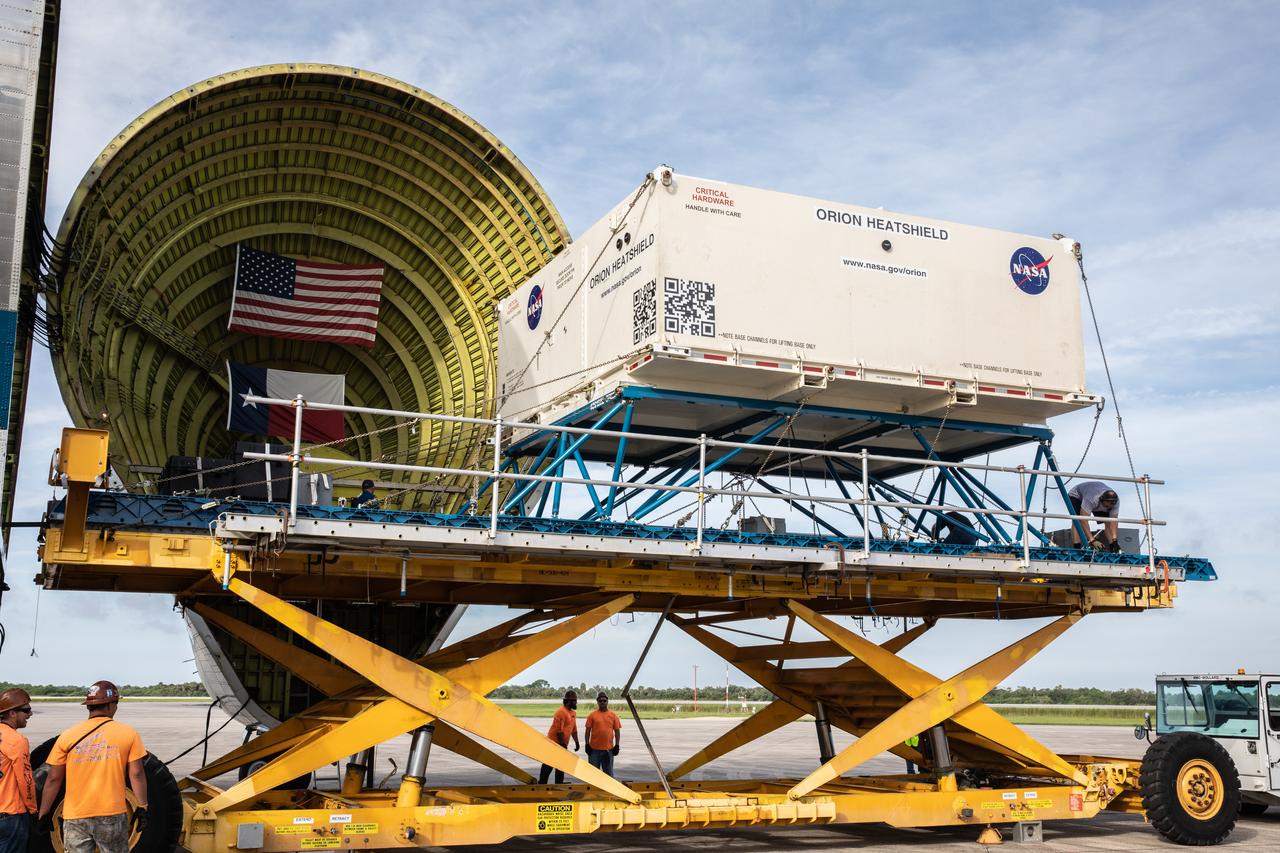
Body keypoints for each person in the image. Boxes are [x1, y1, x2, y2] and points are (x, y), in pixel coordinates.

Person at [37, 681, 148, 853]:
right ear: (111, 705)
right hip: (111, 814)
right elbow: (137, 773)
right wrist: (142, 806)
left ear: (89, 706)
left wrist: (43, 814)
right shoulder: (128, 733)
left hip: (75, 816)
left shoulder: (68, 735)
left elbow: (53, 778)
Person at [0, 688, 36, 853]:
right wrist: (33, 809)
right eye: (26, 710)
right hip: (11, 815)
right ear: (12, 713)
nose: (30, 714)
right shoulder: (17, 741)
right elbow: (25, 780)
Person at [537, 690, 578, 784]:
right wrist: (562, 744)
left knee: (561, 765)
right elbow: (559, 731)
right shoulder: (561, 712)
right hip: (553, 743)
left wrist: (576, 742)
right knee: (549, 763)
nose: (576, 702)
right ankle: (542, 783)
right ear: (569, 701)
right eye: (574, 700)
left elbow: (574, 729)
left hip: (562, 743)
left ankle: (559, 783)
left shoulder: (572, 713)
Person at [1067, 480, 1120, 550]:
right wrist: (1092, 540)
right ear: (1102, 501)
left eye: (1110, 507)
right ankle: (1077, 547)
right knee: (1077, 521)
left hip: (1096, 492)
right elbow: (1084, 520)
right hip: (1077, 496)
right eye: (1106, 506)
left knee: (1108, 522)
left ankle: (1113, 547)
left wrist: (1114, 540)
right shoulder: (1092, 499)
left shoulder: (1116, 502)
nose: (1108, 508)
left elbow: (1113, 522)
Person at [584, 692, 622, 778]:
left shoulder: (613, 716)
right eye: (600, 700)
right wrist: (586, 744)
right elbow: (587, 731)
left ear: (607, 701)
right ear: (597, 702)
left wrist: (617, 745)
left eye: (604, 700)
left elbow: (617, 731)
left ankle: (608, 791)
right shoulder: (592, 715)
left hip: (608, 751)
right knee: (593, 775)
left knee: (608, 776)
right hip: (593, 750)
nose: (602, 702)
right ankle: (594, 791)